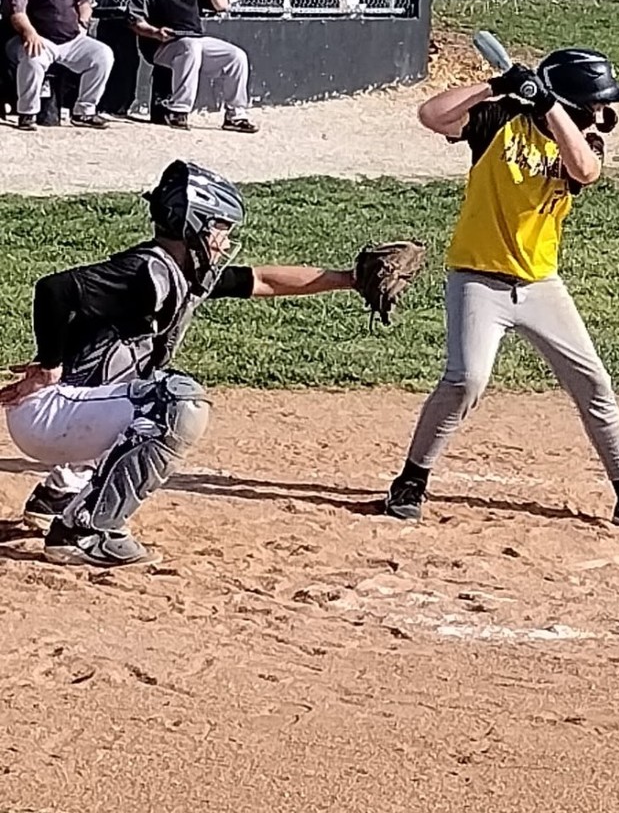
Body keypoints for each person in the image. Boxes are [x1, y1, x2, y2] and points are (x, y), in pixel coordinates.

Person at [1, 160, 423, 567]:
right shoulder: (146, 275)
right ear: (194, 225)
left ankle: (62, 491)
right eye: (220, 228)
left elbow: (262, 279)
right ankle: (86, 531)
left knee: (145, 389)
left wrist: (349, 279)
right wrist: (50, 364)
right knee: (175, 403)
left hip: (78, 410)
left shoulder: (180, 271)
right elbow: (55, 289)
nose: (224, 239)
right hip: (53, 410)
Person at [382, 50, 619, 532]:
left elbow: (585, 171)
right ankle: (410, 481)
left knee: (593, 383)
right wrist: (496, 85)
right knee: (466, 380)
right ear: (575, 99)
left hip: (540, 285)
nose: (602, 113)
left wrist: (546, 107)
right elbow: (430, 115)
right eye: (595, 103)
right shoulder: (499, 121)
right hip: (477, 279)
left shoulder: (585, 141)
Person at [127, 0, 257, 133]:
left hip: (193, 41)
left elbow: (222, 5)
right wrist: (155, 32)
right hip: (161, 45)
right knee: (190, 46)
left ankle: (235, 115)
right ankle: (178, 110)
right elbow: (134, 21)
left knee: (236, 56)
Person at [3, 0, 113, 130]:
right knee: (33, 57)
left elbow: (84, 3)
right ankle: (27, 113)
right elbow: (17, 12)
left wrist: (83, 24)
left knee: (103, 54)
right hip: (36, 38)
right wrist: (30, 32)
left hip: (71, 40)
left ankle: (84, 111)